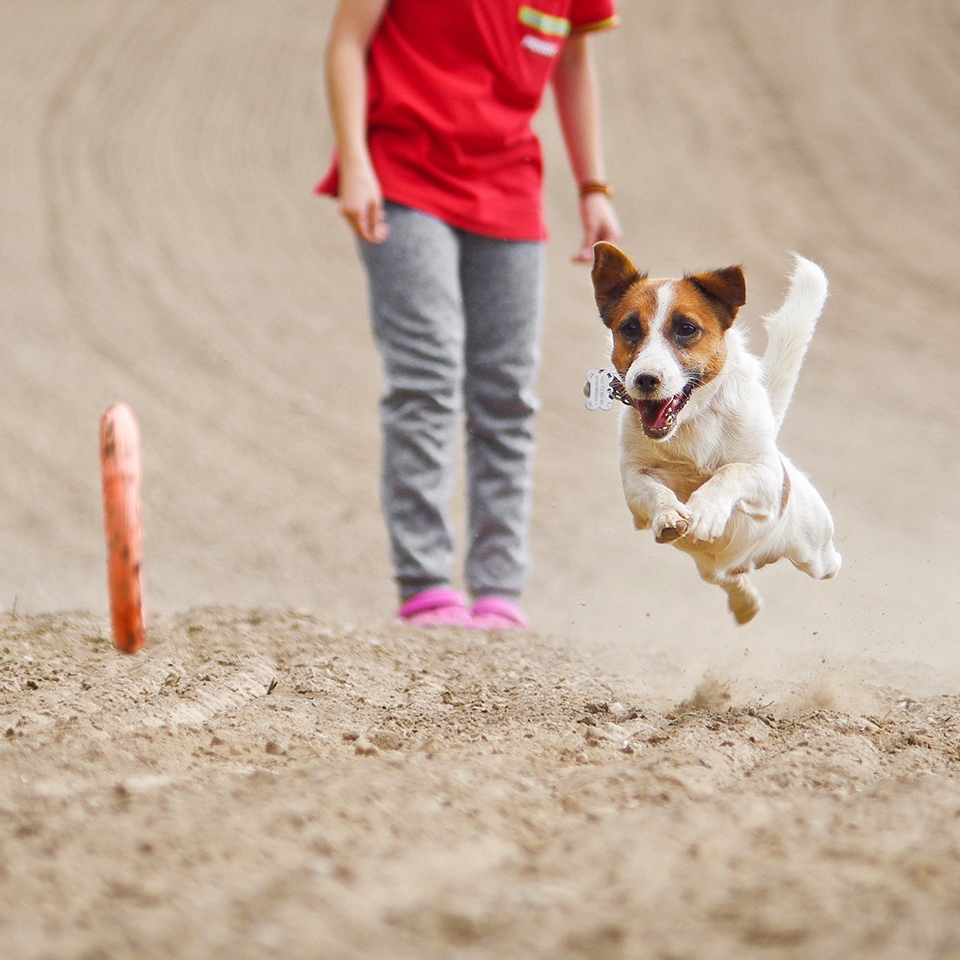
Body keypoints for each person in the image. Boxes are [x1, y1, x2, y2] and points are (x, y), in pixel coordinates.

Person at [318, 0, 621, 629]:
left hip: (508, 185)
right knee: (426, 374)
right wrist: (354, 160)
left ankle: (498, 591)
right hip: (402, 176)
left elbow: (571, 61)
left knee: (505, 391)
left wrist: (593, 188)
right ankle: (426, 583)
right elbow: (347, 42)